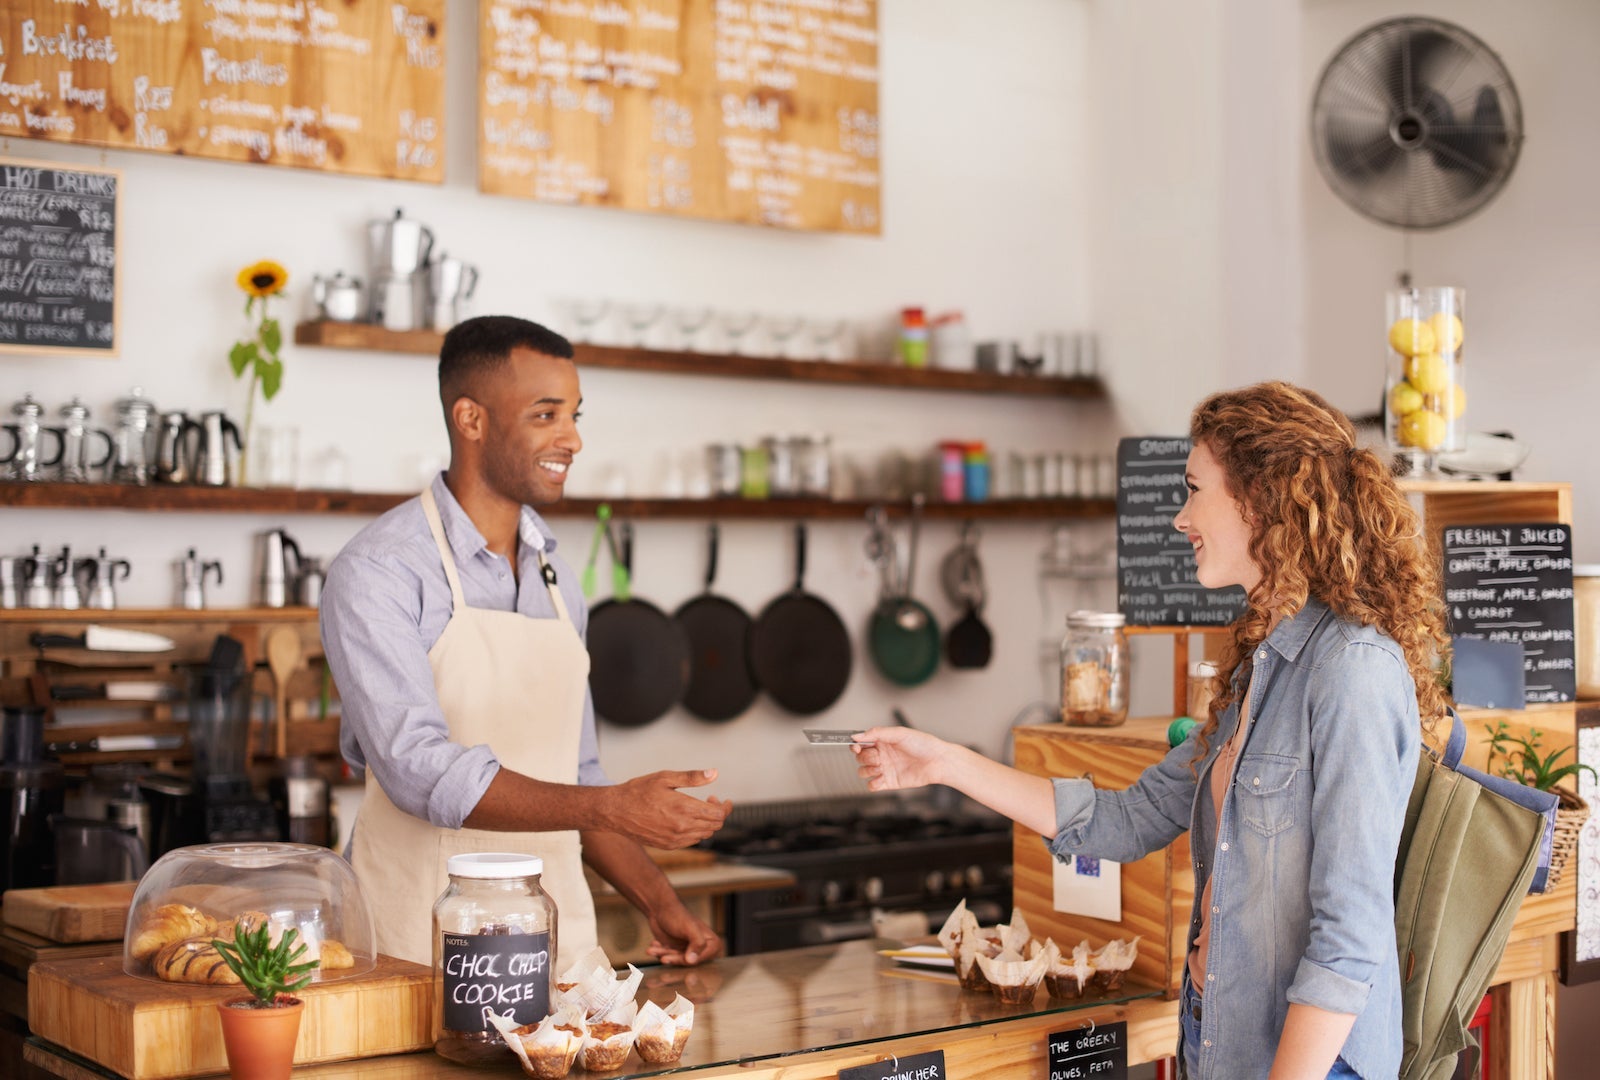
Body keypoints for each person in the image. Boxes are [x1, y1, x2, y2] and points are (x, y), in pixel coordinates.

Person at [853, 382, 1450, 1079]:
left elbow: (1349, 939)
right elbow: (1126, 820)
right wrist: (946, 763)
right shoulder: (1263, 665)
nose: (1179, 517)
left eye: (1195, 490)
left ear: (1262, 499)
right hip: (1221, 1039)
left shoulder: (1352, 671)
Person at [321, 315, 731, 971]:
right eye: (546, 415)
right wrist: (613, 806)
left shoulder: (556, 574)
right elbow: (415, 767)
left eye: (574, 414)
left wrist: (658, 900)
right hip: (420, 945)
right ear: (471, 420)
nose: (572, 438)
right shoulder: (379, 571)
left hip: (558, 947)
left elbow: (578, 776)